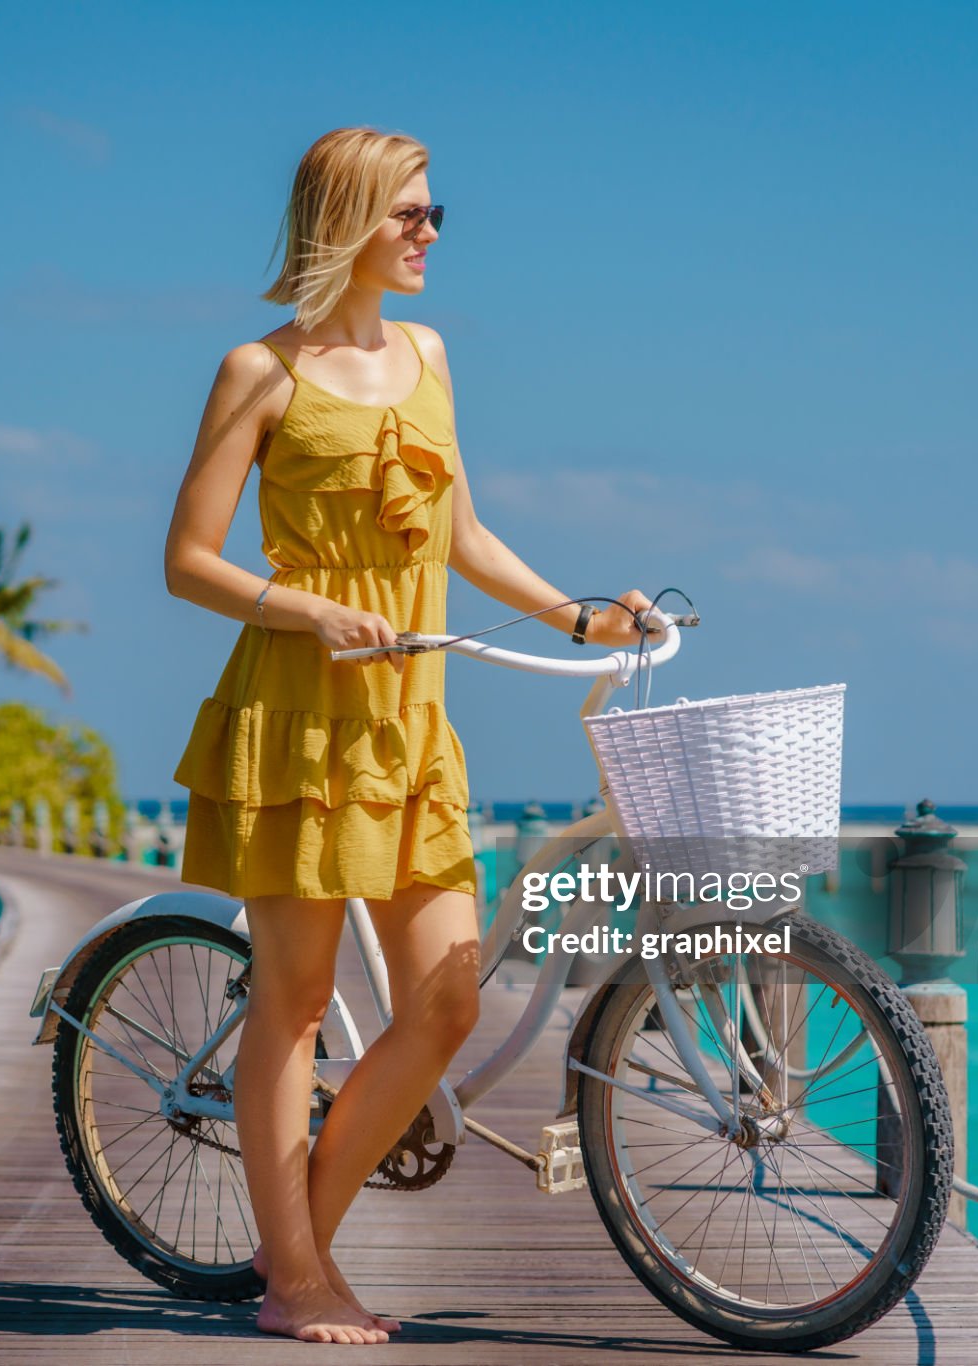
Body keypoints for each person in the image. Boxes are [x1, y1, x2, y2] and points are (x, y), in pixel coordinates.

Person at [161, 125, 665, 1346]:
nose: (431, 232)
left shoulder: (432, 355)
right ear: (346, 221)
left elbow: (460, 536)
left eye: (436, 213)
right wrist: (309, 608)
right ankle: (294, 1279)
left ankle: (298, 1247)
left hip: (409, 720)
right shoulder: (258, 370)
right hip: (296, 713)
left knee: (444, 998)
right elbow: (186, 561)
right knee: (288, 1005)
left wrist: (582, 613)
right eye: (409, 215)